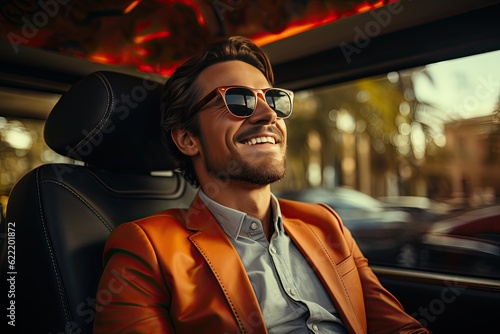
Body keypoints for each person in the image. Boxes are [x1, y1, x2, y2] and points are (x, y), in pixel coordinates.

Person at [93, 36, 431, 334]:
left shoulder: (326, 224)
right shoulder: (146, 248)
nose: (268, 114)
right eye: (238, 100)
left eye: (273, 100)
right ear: (187, 138)